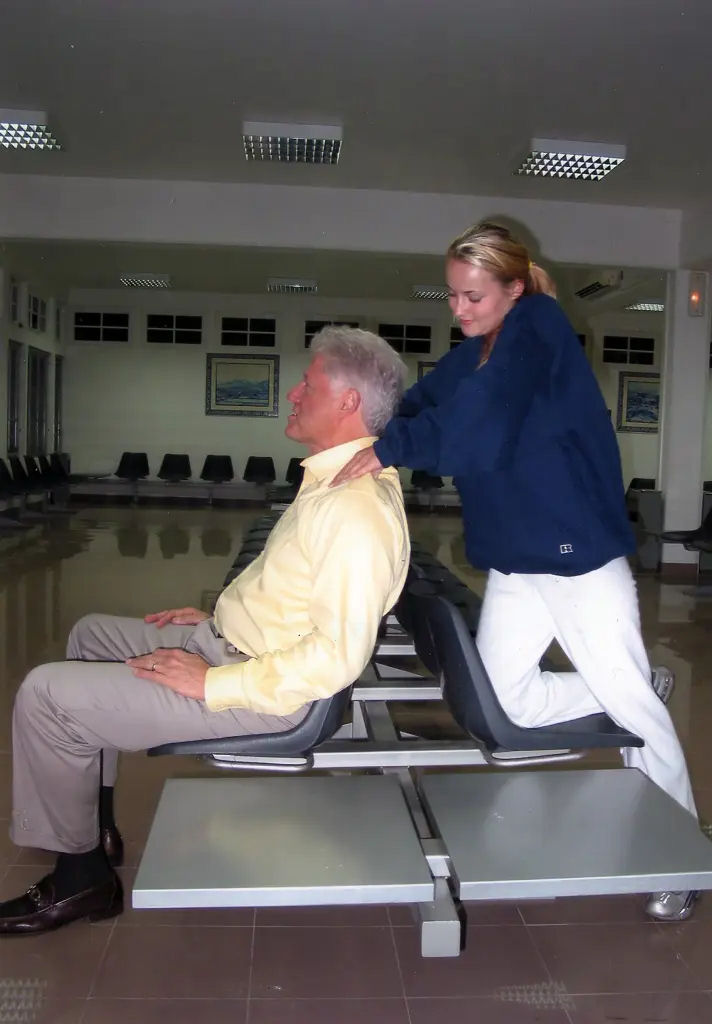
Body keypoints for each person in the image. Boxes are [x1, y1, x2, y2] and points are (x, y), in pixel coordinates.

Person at [332, 221, 699, 922]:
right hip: (516, 560)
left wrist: (391, 450)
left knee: (634, 714)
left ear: (515, 287)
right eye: (452, 296)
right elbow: (429, 400)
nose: (459, 310)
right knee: (505, 700)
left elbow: (480, 420)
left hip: (576, 561)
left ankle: (678, 857)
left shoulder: (537, 328)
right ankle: (626, 686)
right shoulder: (479, 349)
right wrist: (371, 426)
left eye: (473, 296)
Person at [1, 326, 410, 935]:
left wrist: (211, 685)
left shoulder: (357, 509)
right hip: (228, 643)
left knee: (45, 694)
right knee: (90, 636)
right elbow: (289, 589)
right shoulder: (327, 483)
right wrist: (217, 618)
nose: (293, 392)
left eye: (308, 382)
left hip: (267, 695)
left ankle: (80, 881)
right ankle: (95, 828)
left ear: (348, 402)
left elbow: (337, 656)